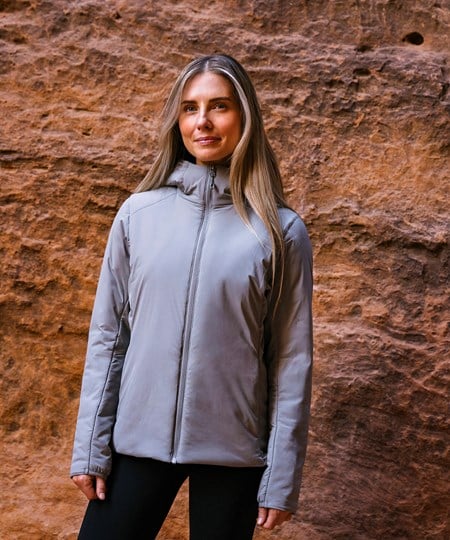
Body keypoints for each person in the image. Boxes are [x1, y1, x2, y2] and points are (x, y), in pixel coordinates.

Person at [70, 53, 313, 540]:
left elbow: (290, 360)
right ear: (177, 120)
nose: (202, 121)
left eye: (219, 106)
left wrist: (282, 475)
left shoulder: (281, 232)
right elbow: (109, 338)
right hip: (137, 440)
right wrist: (90, 448)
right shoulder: (138, 215)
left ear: (244, 117)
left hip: (234, 453)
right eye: (190, 108)